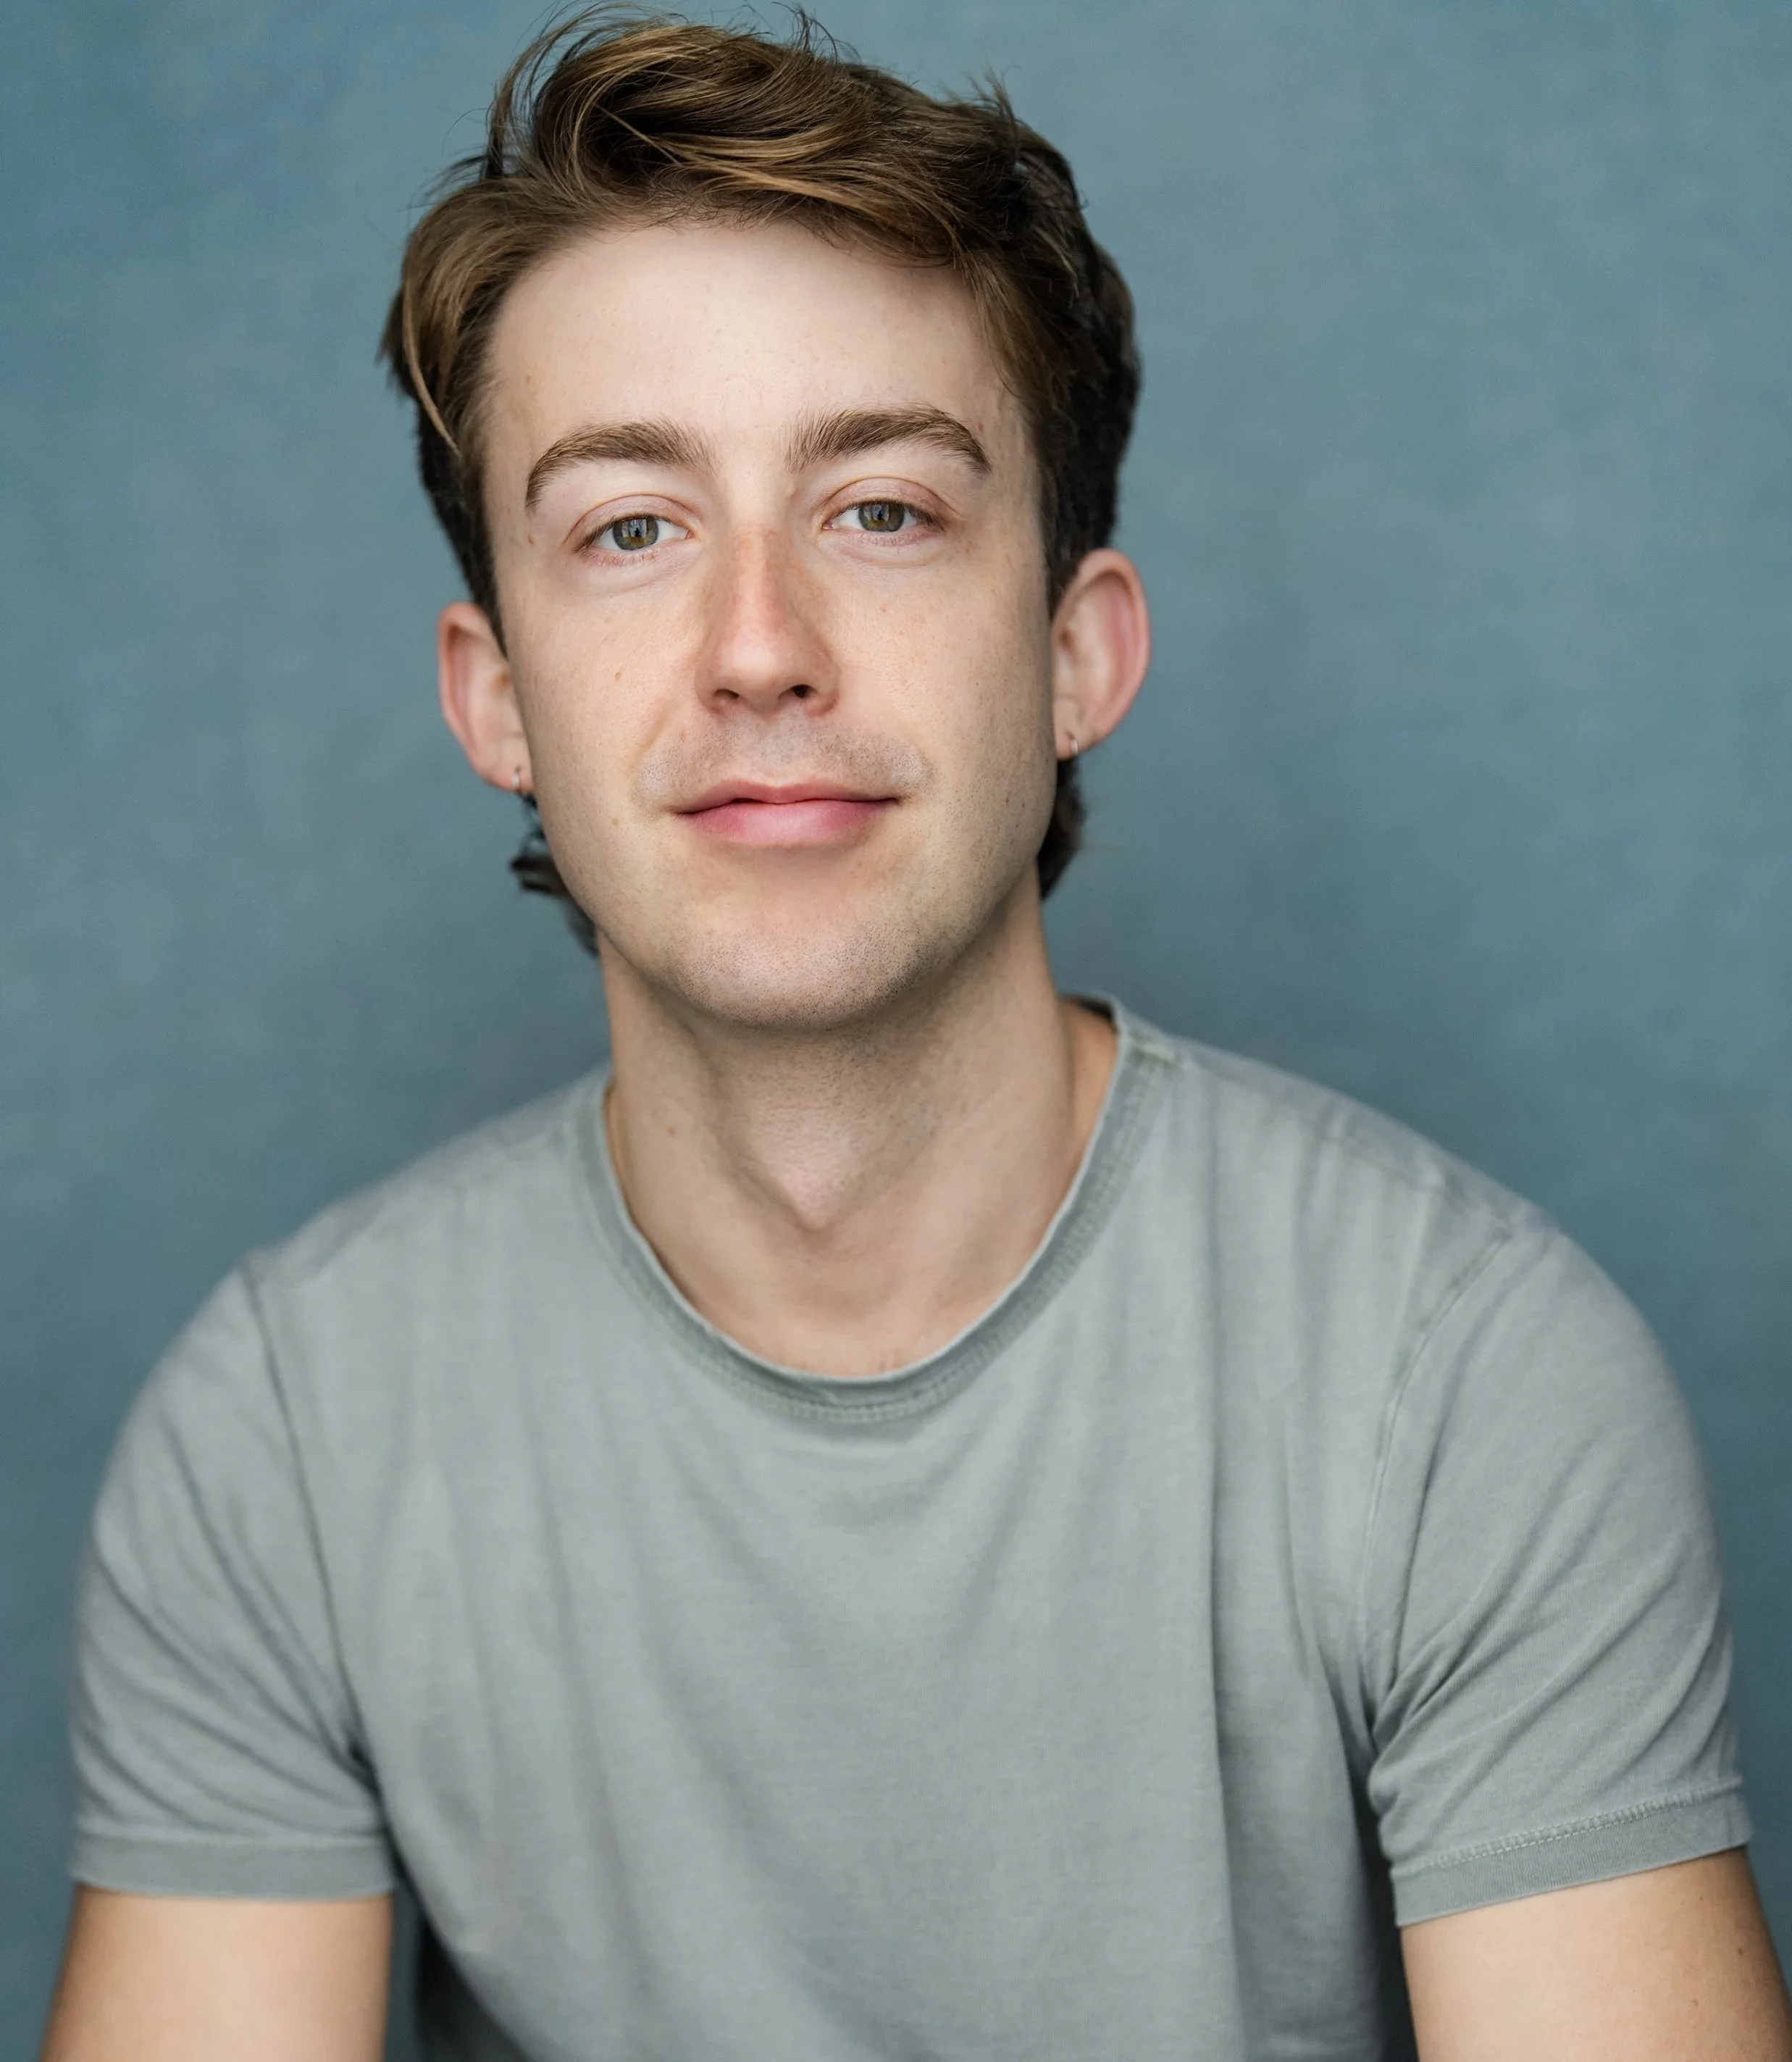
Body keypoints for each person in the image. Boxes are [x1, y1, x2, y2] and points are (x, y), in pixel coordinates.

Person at [39, 12, 1792, 2060]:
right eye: (629, 527)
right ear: (494, 695)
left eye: (881, 509)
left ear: (1075, 653)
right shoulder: (285, 1443)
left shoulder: (1464, 1381)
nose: (759, 645)